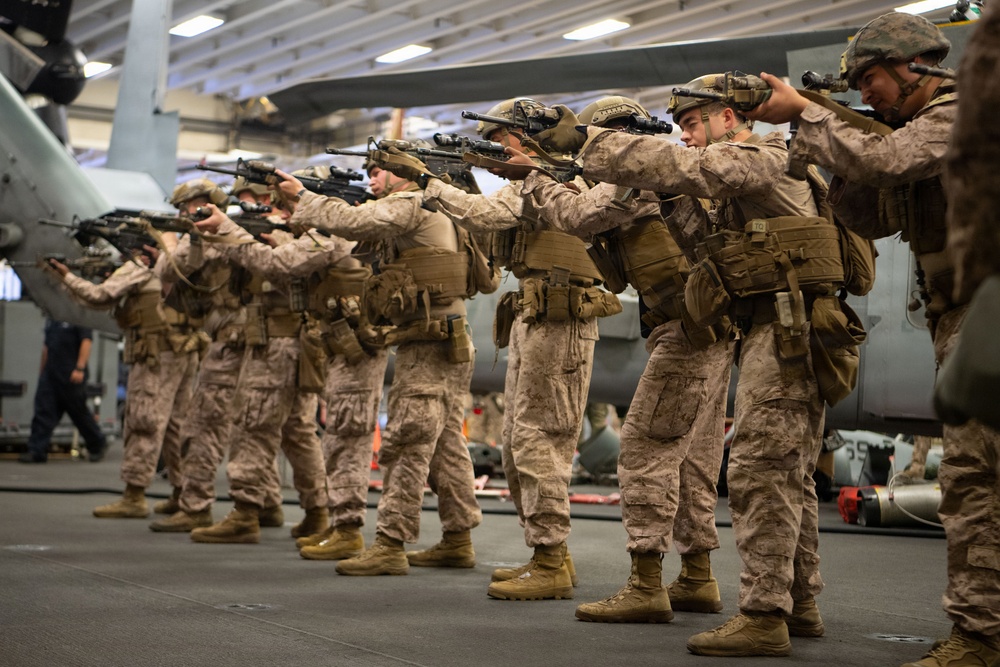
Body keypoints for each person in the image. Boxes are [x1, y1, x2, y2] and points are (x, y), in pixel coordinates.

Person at [532, 74, 844, 655]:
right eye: (681, 125)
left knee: (755, 468)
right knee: (784, 471)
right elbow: (696, 231)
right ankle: (795, 605)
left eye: (695, 122)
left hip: (788, 326)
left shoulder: (764, 154)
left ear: (730, 116)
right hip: (770, 326)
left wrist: (588, 144)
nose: (687, 135)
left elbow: (681, 172)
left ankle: (763, 615)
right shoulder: (730, 179)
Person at [744, 11, 1000, 666]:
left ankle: (980, 637)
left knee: (975, 479)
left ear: (912, 66)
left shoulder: (956, 112)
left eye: (871, 80)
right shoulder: (908, 127)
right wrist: (836, 134)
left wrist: (811, 115)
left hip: (982, 314)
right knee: (975, 479)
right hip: (959, 318)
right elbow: (864, 215)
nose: (867, 94)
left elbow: (890, 163)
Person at [374, 100, 623, 600]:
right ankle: (549, 555)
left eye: (500, 139)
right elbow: (487, 222)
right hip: (535, 315)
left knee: (539, 440)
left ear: (525, 138)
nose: (496, 149)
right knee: (516, 442)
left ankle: (550, 560)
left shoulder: (562, 177)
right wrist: (451, 182)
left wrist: (426, 180)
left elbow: (491, 212)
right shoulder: (534, 181)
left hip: (561, 317)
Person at [516, 95, 733, 623]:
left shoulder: (640, 175)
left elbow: (576, 215)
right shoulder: (663, 168)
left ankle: (646, 585)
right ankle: (697, 576)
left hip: (685, 330)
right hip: (702, 327)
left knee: (644, 448)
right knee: (694, 457)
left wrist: (534, 175)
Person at [256, 157, 482, 576]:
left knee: (406, 441)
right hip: (442, 339)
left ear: (406, 171)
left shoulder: (412, 202)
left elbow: (353, 223)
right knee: (445, 444)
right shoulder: (435, 204)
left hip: (428, 343)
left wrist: (301, 196)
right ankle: (457, 538)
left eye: (379, 170)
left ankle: (391, 544)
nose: (372, 178)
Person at [188, 195, 334, 545]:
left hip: (279, 344)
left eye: (280, 203)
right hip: (289, 343)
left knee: (253, 424)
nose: (277, 211)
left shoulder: (305, 237)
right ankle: (317, 512)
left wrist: (233, 231)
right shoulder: (308, 235)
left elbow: (274, 264)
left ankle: (246, 512)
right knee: (298, 431)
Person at [51, 244, 200, 519]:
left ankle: (134, 495)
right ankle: (182, 493)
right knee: (176, 426)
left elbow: (99, 296)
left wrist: (66, 276)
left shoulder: (141, 266)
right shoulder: (176, 262)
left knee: (143, 420)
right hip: (182, 350)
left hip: (154, 354)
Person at [18, 319, 107, 464]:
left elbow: (86, 342)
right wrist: (42, 373)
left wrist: (80, 368)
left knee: (79, 413)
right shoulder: (53, 319)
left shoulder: (77, 317)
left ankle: (97, 444)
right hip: (51, 375)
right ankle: (36, 450)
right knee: (43, 412)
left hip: (71, 375)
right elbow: (46, 347)